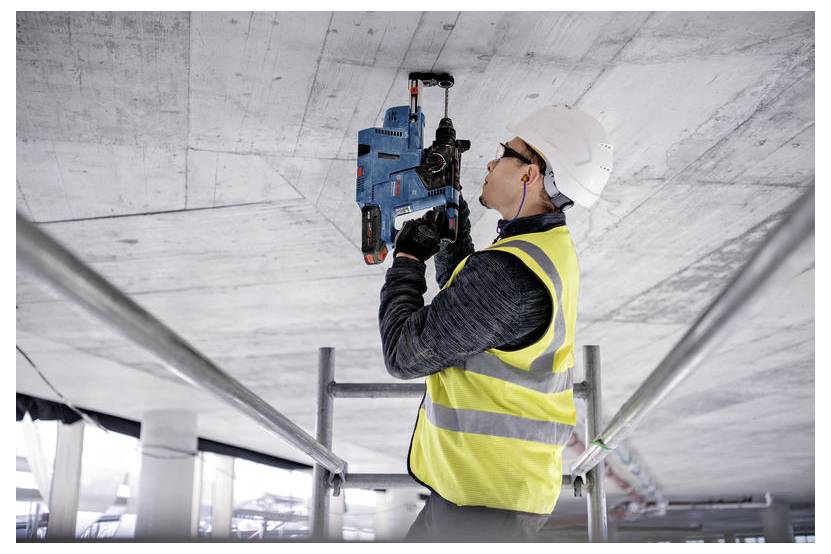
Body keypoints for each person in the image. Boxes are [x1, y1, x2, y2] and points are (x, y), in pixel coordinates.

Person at [378, 105, 613, 542]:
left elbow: (404, 354)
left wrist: (407, 262)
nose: (491, 161)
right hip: (489, 496)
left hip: (483, 509)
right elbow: (468, 305)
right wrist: (451, 213)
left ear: (530, 175)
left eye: (506, 152)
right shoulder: (541, 244)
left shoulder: (512, 275)